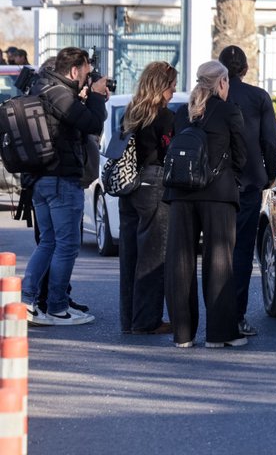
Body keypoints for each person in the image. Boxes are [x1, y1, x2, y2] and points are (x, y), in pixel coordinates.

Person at [21, 47, 109, 326]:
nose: (86, 78)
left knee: (48, 242)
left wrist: (85, 96)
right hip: (60, 180)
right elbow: (93, 124)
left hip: (40, 179)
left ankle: (27, 302)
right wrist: (95, 96)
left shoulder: (41, 87)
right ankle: (57, 307)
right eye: (85, 73)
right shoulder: (59, 93)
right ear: (74, 70)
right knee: (67, 246)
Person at [164, 60, 247, 349]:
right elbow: (241, 155)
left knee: (180, 262)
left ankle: (182, 334)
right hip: (218, 195)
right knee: (219, 262)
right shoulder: (228, 111)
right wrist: (233, 179)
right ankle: (220, 334)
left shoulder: (182, 113)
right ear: (222, 83)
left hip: (181, 194)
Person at [218, 46, 276, 338]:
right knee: (241, 252)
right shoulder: (259, 98)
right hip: (250, 184)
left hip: (216, 185)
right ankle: (236, 316)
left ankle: (216, 317)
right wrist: (270, 174)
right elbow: (271, 143)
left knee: (217, 251)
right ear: (245, 68)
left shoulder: (212, 95)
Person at [118, 62, 178, 335]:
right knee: (153, 256)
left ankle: (129, 319)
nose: (174, 91)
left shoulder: (131, 111)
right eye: (172, 86)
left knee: (130, 254)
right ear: (162, 86)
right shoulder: (164, 116)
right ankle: (147, 321)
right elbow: (169, 152)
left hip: (128, 185)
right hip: (154, 183)